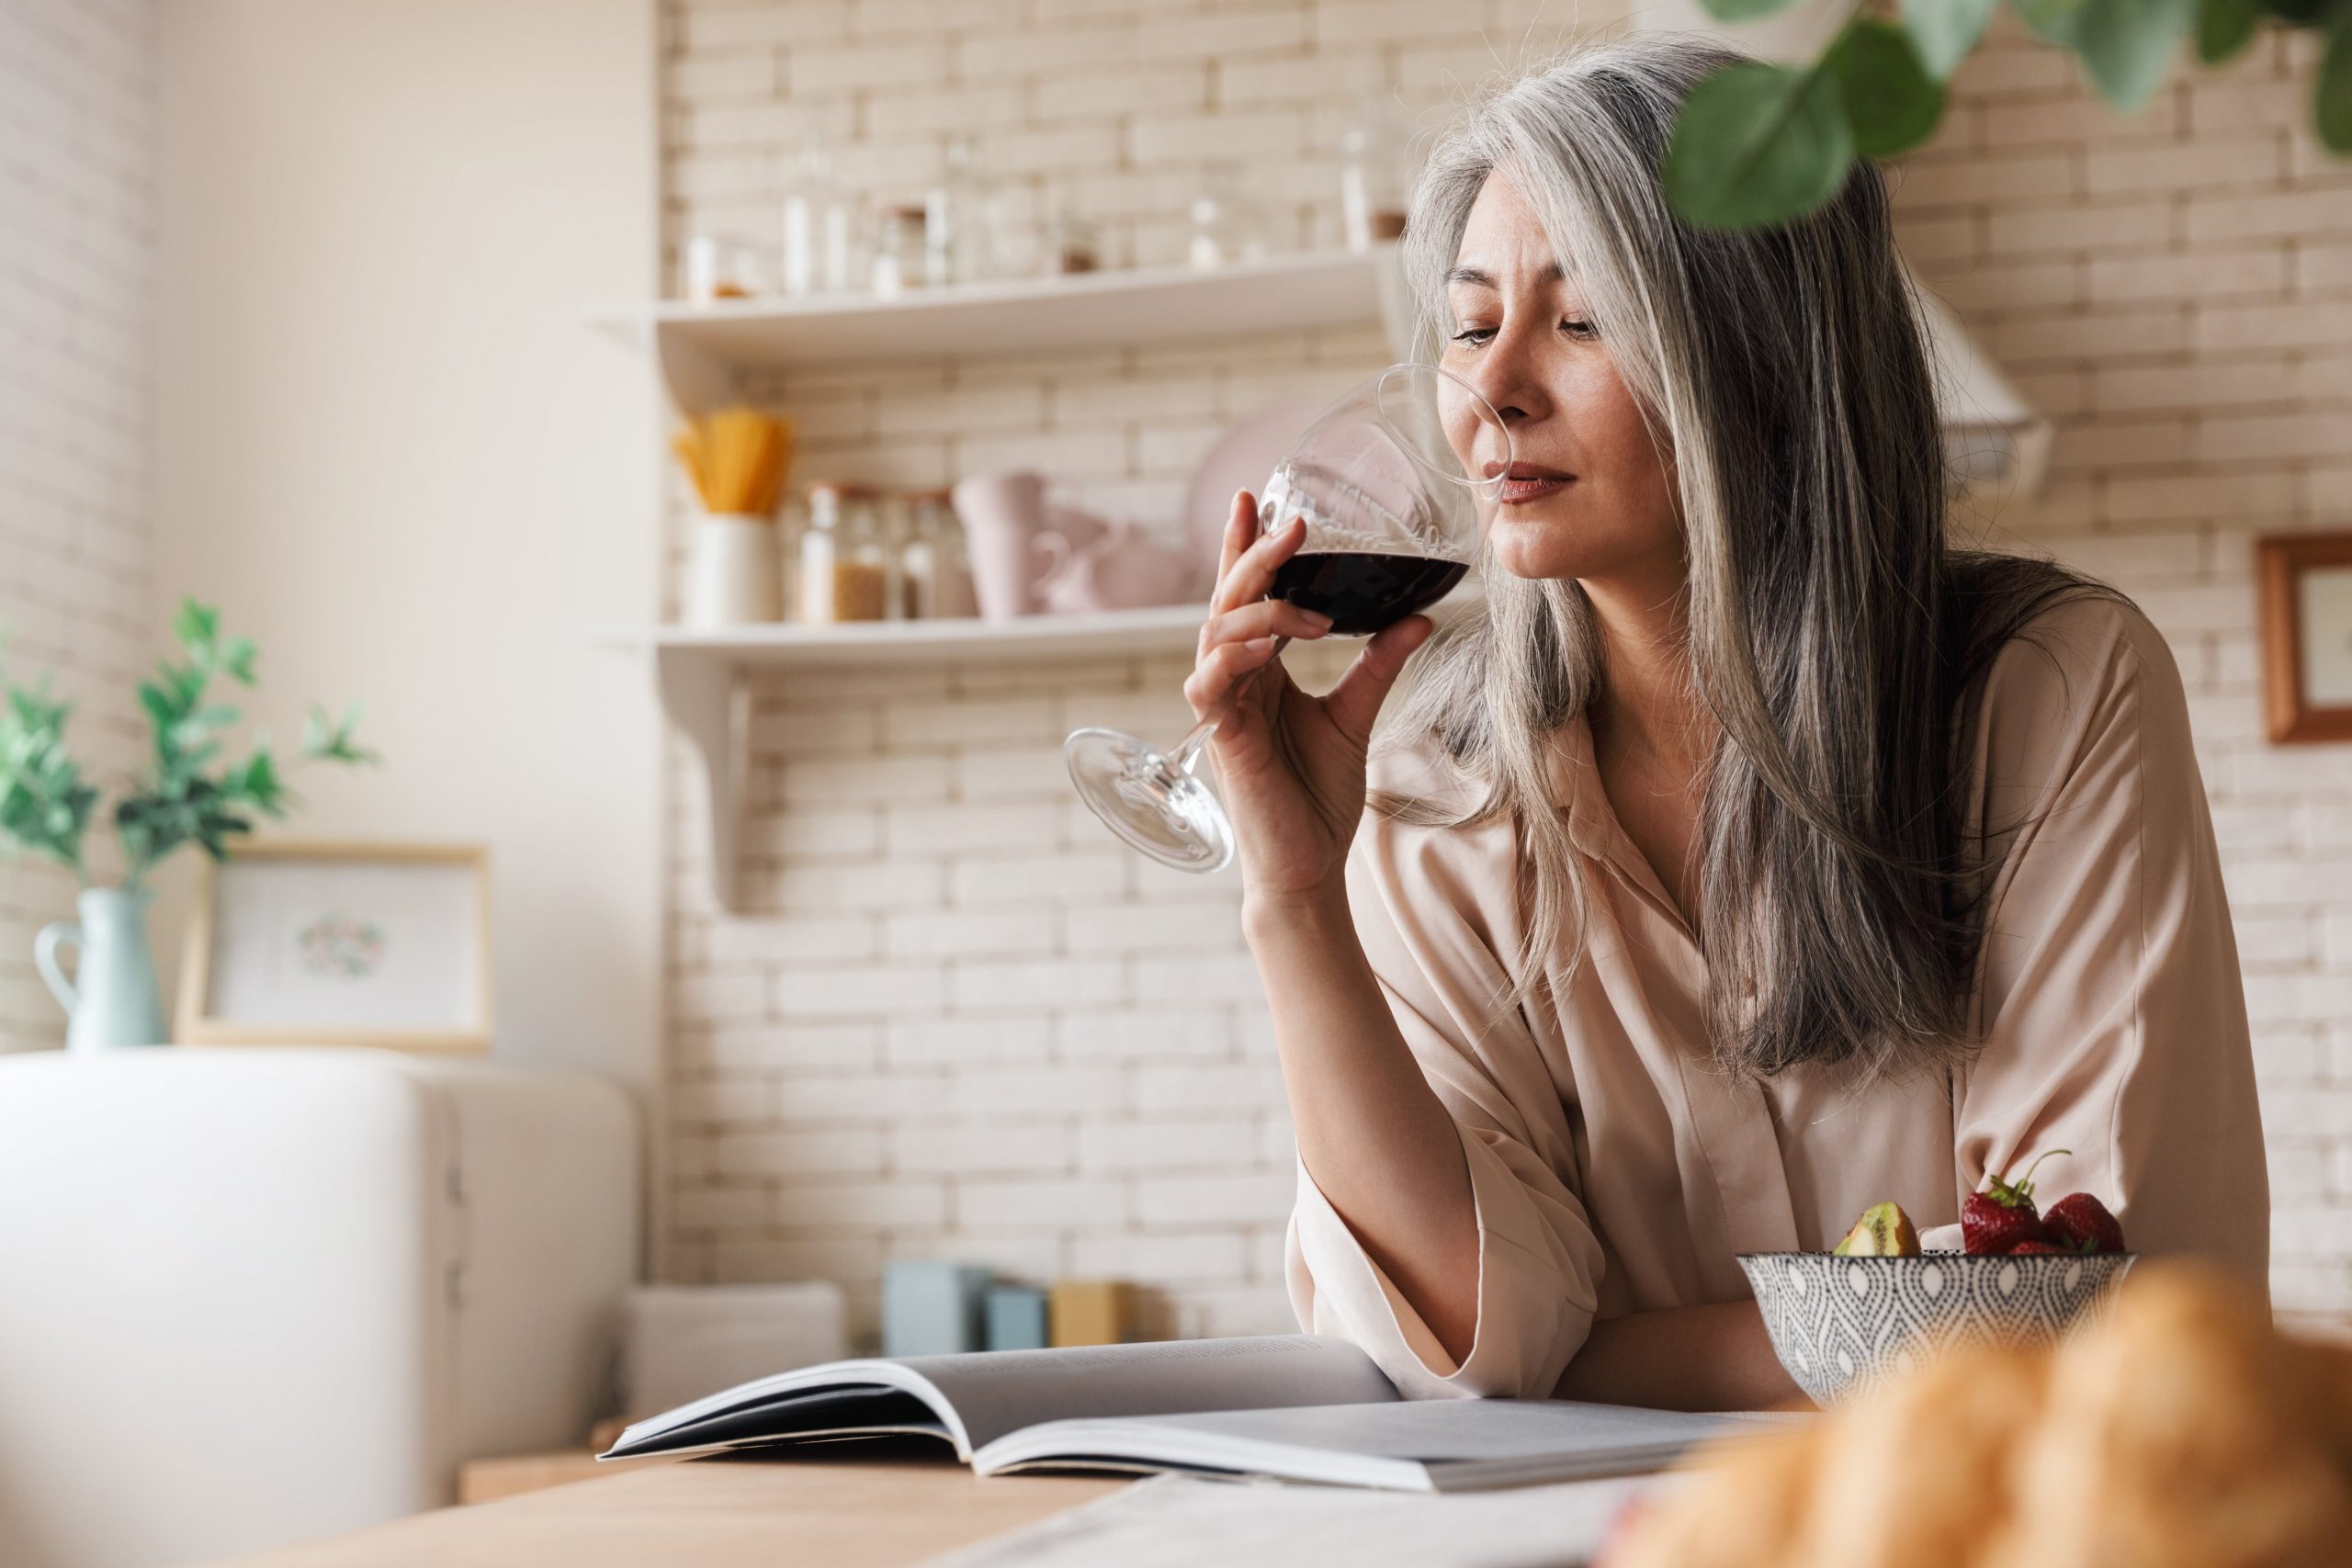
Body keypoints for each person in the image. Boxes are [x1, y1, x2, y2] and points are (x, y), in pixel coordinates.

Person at [1187, 32, 2268, 1412]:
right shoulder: (1435, 770)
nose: (1493, 391)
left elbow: (2063, 1305)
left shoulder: (2049, 686)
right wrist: (1292, 900)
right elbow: (1470, 1344)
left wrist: (1601, 1353)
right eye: (1471, 326)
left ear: (1764, 359)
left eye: (1582, 321)